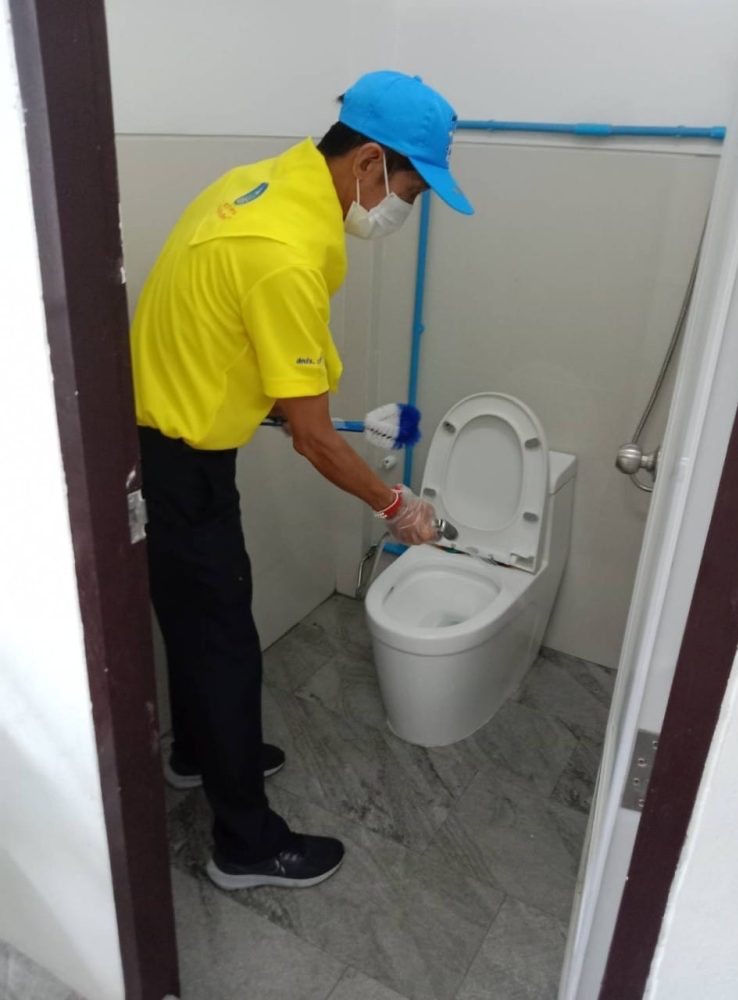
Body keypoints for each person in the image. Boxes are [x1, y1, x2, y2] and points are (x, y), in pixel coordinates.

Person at [130, 70, 474, 891]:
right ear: (369, 162)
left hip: (160, 437)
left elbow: (226, 331)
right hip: (181, 465)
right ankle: (246, 846)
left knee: (194, 618)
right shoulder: (284, 252)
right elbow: (317, 441)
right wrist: (397, 506)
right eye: (409, 191)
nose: (403, 209)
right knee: (226, 643)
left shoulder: (256, 183)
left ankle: (197, 752)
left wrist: (284, 406)